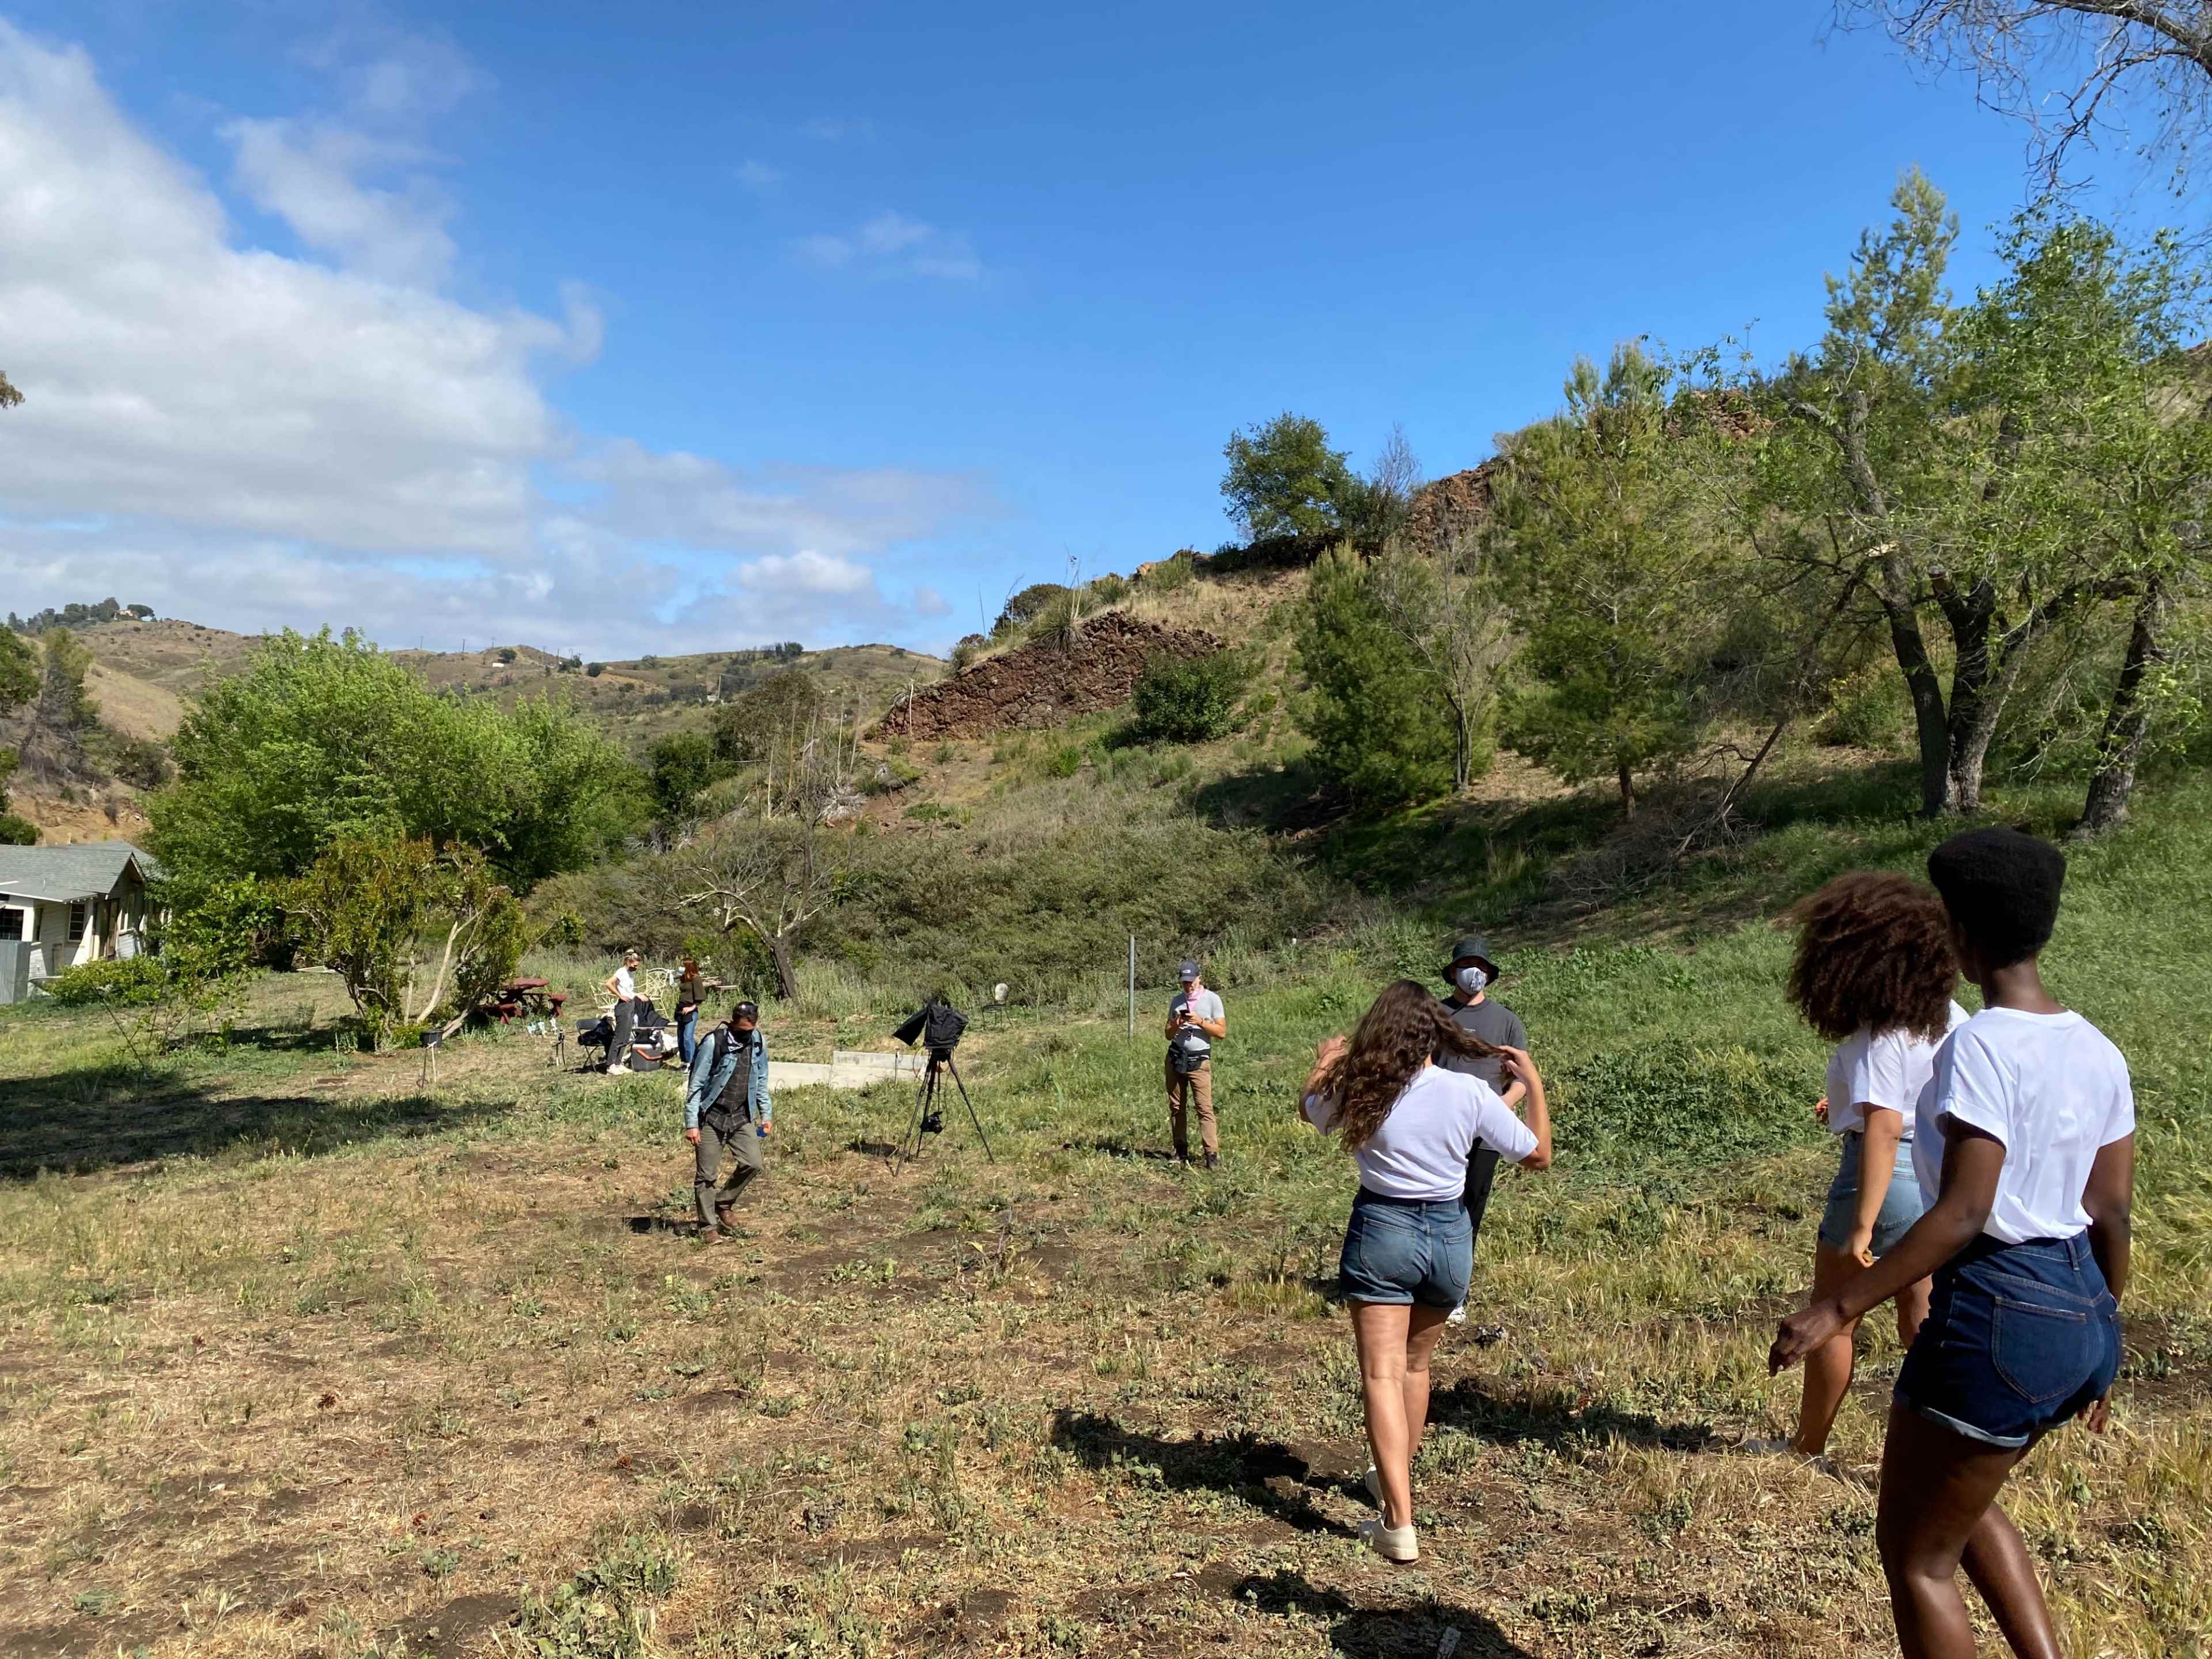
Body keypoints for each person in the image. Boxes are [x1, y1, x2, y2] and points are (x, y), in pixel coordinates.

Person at [1771, 828, 2131, 1659]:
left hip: (1999, 1306)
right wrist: (2104, 1342)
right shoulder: (2099, 1049)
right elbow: (2111, 1213)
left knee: (1918, 1557)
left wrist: (1837, 1306)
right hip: (2079, 1301)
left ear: (1961, 935)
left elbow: (1965, 1213)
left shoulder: (1980, 1045)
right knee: (1965, 1501)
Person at [1300, 980, 1551, 1564]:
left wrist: (1324, 1063)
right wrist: (1532, 1084)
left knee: (1382, 1375)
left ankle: (1397, 1521)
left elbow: (1312, 1113)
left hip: (1384, 1232)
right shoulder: (1466, 1092)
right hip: (1449, 1237)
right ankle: (1393, 1480)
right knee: (1416, 1367)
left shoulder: (1362, 1088)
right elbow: (1537, 1156)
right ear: (1435, 1033)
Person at [1750, 872, 1968, 1461]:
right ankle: (1944, 1449)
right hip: (1941, 1179)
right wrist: (1844, 1105)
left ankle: (1807, 1446)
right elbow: (1922, 1100)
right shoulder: (1953, 1016)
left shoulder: (1881, 1034)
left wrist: (1863, 1225)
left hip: (1882, 1178)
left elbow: (1885, 1125)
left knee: (1834, 1316)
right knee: (1920, 1318)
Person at [1436, 935, 1528, 1326]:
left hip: (1486, 1136)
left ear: (1489, 973)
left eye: (1480, 965)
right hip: (1441, 1132)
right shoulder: (1436, 1016)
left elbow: (1522, 1080)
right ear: (1454, 971)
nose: (1473, 973)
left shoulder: (1507, 1021)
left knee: (1471, 1209)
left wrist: (1494, 1112)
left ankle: (1457, 1293)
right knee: (1439, 1205)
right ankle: (1427, 1285)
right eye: (1466, 964)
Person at [684, 998, 774, 1243]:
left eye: (752, 1028)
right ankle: (708, 1227)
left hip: (741, 1115)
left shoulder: (758, 1042)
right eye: (745, 1029)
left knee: (753, 1163)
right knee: (707, 1176)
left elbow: (762, 1079)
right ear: (734, 1021)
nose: (749, 1033)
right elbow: (696, 1085)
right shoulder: (715, 1042)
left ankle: (723, 1203)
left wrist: (766, 1114)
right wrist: (692, 1123)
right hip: (712, 1117)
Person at [1164, 960, 1226, 1168]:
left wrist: (1200, 1022)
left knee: (1204, 1107)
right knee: (1176, 1106)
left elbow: (1221, 1033)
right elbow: (1167, 1034)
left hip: (1199, 1060)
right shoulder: (1176, 1002)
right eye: (1184, 983)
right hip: (1176, 1057)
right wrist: (1177, 1024)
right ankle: (1180, 1151)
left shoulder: (1212, 1000)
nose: (1188, 986)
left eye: (1191, 981)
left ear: (1200, 979)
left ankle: (1211, 1154)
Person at [603, 949, 642, 1075]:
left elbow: (628, 990)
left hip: (631, 1004)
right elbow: (608, 983)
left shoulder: (630, 974)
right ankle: (611, 1064)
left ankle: (619, 1063)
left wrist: (637, 995)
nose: (636, 968)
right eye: (634, 965)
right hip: (623, 1006)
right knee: (619, 1036)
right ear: (629, 962)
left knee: (626, 1036)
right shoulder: (621, 972)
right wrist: (619, 995)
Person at [675, 958, 705, 1066]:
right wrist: (676, 974)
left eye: (683, 966)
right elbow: (673, 983)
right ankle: (684, 1061)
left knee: (688, 1036)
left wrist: (692, 1008)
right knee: (680, 1036)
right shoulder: (683, 978)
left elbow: (701, 997)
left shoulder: (696, 979)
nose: (681, 967)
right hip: (681, 1008)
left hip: (691, 1009)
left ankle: (691, 1062)